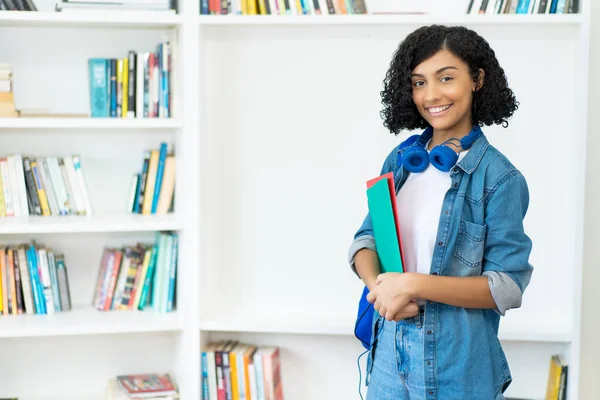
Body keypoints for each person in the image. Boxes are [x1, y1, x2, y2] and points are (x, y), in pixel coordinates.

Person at [347, 25, 534, 400]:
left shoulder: (500, 178)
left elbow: (506, 288)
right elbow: (366, 240)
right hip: (388, 353)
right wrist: (381, 291)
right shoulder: (401, 161)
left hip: (456, 365)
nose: (431, 95)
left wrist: (412, 284)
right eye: (418, 83)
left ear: (477, 79)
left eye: (445, 78)